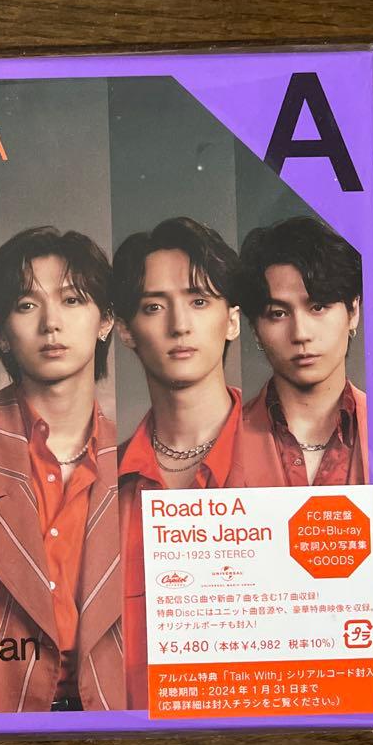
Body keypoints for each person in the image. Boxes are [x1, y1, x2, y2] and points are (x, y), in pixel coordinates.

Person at [0, 226, 124, 712]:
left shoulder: (134, 452)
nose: (51, 324)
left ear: (106, 320)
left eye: (72, 300)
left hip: (113, 716)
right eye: (27, 305)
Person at [113, 217, 243, 709]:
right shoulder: (101, 487)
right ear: (125, 330)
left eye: (199, 301)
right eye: (154, 306)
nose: (180, 324)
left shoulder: (289, 462)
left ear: (232, 320)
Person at [239, 216, 368, 486]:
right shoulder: (223, 441)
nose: (300, 334)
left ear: (353, 311)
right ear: (255, 329)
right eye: (278, 313)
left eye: (318, 307)